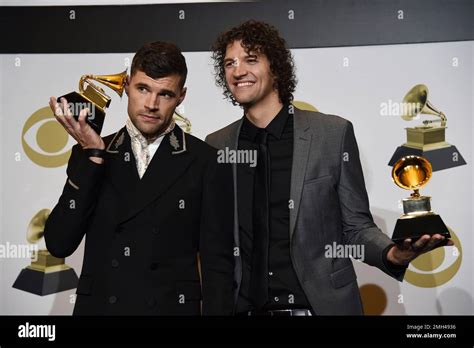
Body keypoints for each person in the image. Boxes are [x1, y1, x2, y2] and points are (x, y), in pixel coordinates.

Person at [206, 20, 453, 315]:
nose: (237, 71)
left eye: (250, 59)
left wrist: (393, 254)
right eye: (229, 63)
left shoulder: (331, 134)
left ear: (275, 67)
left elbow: (356, 226)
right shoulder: (217, 145)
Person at [44, 41, 234, 315]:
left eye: (165, 94)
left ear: (181, 96)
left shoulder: (205, 161)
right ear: (127, 84)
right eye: (143, 89)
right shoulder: (92, 154)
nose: (151, 104)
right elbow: (59, 243)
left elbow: (218, 268)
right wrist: (94, 156)